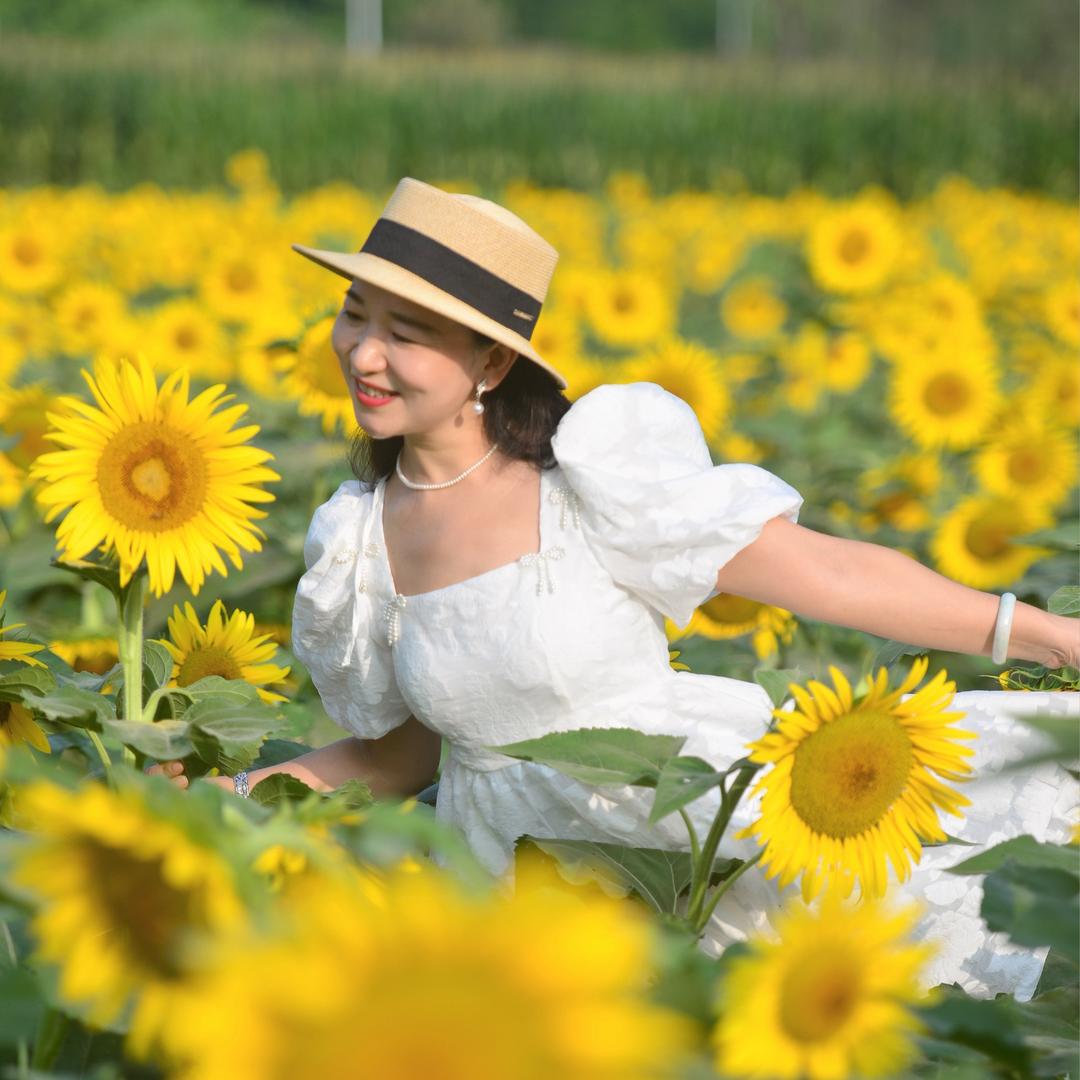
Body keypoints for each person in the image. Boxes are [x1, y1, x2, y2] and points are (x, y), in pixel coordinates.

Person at [149, 177, 1080, 1001]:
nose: (363, 354)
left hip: (680, 852)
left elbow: (824, 575)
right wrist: (230, 793)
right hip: (510, 898)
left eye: (407, 332)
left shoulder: (588, 484)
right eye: (356, 314)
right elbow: (409, 757)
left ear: (491, 362)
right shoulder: (360, 534)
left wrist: (1047, 635)